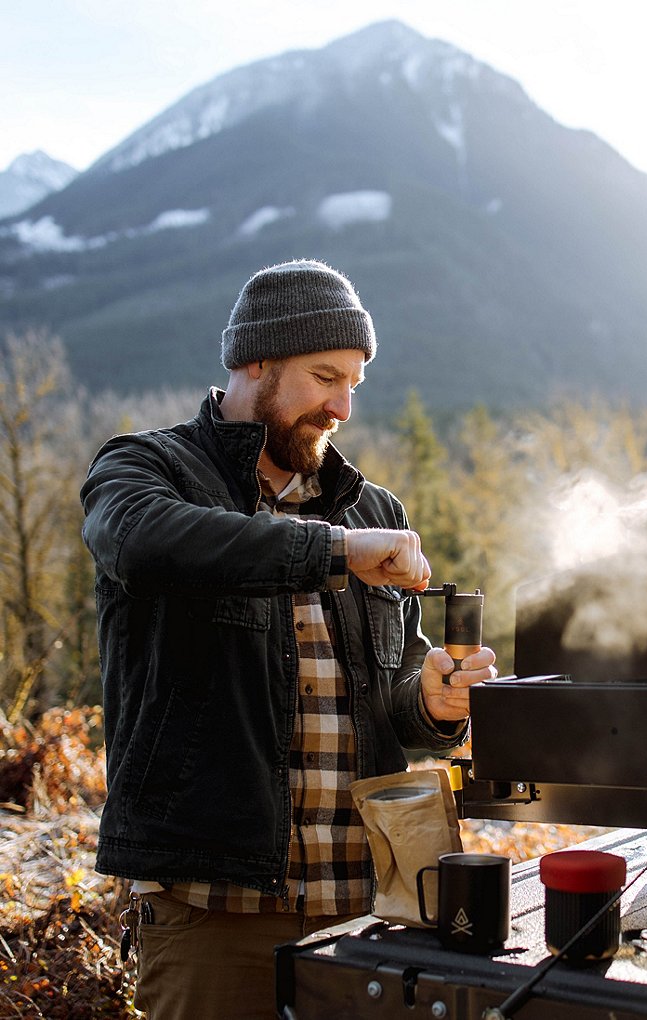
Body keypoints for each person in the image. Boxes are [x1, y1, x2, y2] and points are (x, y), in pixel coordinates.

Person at [80, 259, 497, 1019]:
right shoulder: (147, 469)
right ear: (256, 361)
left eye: (354, 384)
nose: (343, 405)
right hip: (214, 913)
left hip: (367, 908)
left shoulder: (373, 509)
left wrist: (432, 703)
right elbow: (140, 542)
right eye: (325, 377)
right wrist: (333, 550)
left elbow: (392, 695)